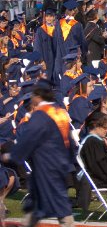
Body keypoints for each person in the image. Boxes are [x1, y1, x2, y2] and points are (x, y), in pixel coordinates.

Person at [6, 83, 74, 227]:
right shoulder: (60, 112)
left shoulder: (41, 115)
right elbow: (70, 141)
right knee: (36, 203)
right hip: (60, 164)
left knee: (60, 204)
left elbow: (29, 138)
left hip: (46, 165)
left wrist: (13, 156)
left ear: (38, 96)